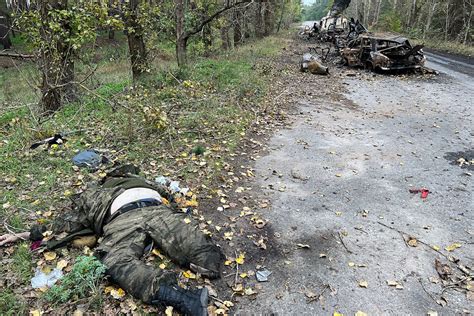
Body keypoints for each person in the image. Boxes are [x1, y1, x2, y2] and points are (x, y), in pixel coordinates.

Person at [0, 165, 224, 316]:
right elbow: (67, 224)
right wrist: (23, 235)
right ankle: (181, 297)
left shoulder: (143, 182)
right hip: (122, 219)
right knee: (114, 261)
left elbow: (170, 195)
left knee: (207, 259)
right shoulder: (95, 193)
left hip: (156, 209)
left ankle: (195, 275)